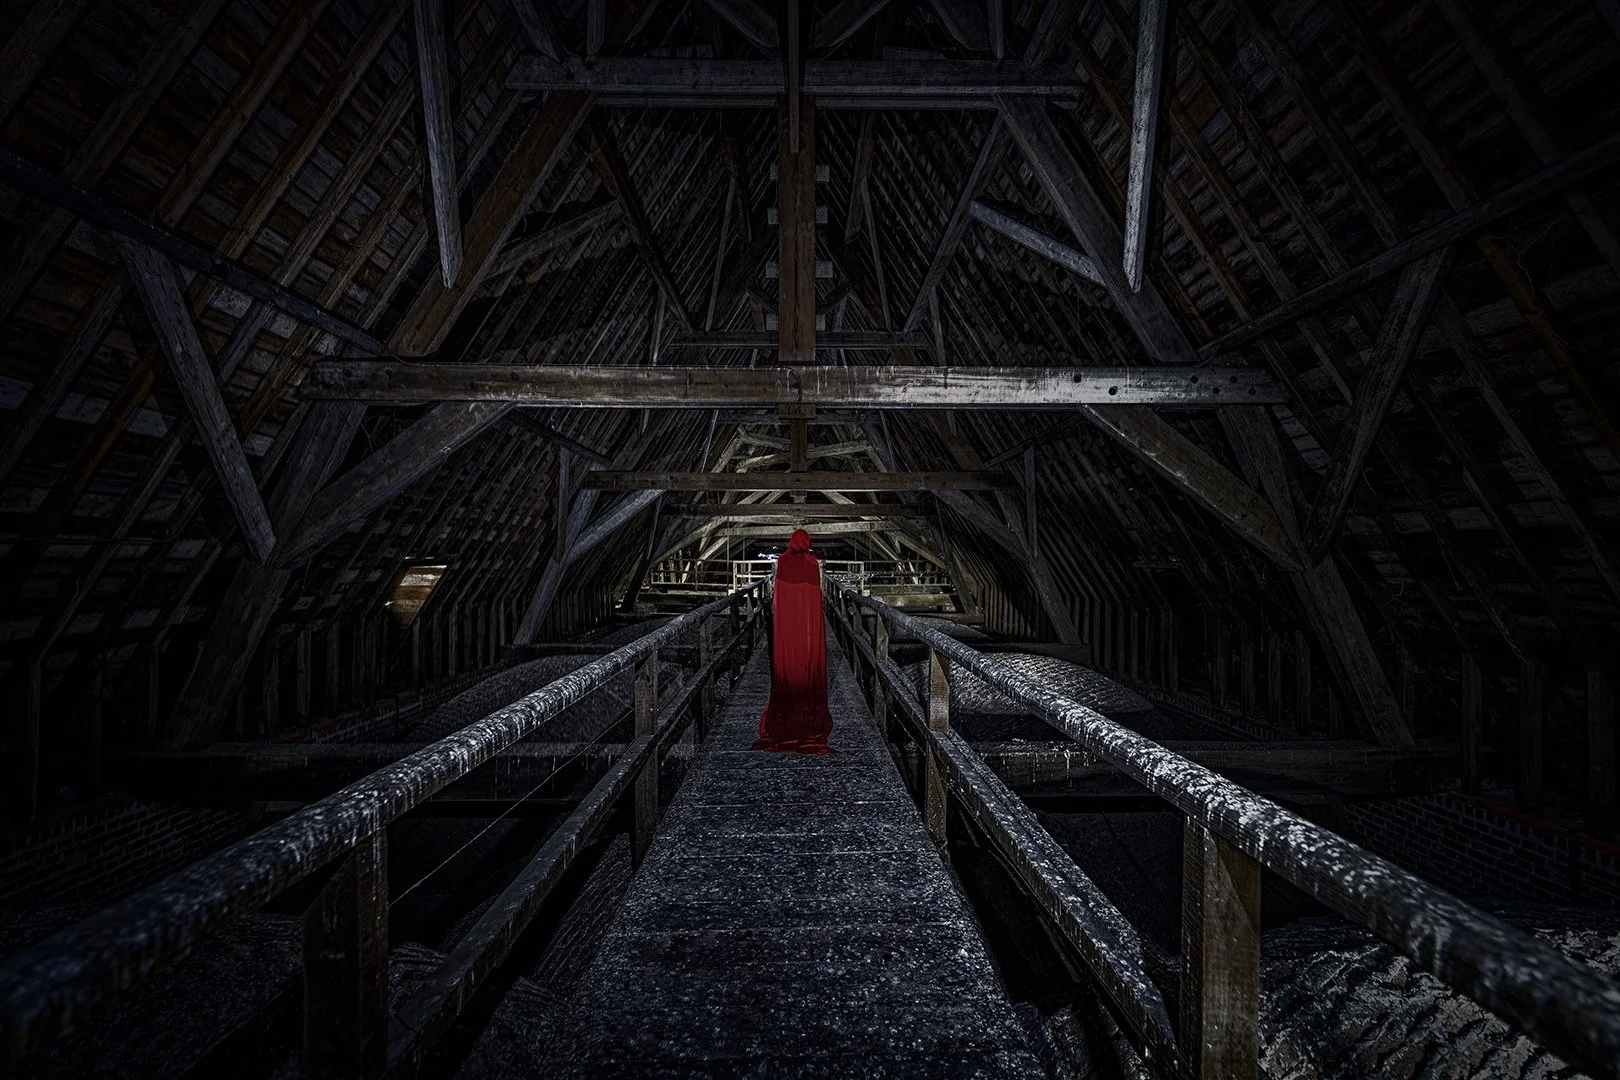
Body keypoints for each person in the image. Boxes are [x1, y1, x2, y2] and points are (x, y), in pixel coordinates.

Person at [753, 528, 836, 754]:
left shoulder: (782, 562)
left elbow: (778, 599)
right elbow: (815, 601)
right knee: (805, 664)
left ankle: (786, 711)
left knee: (789, 666)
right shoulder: (812, 563)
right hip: (807, 629)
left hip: (788, 628)